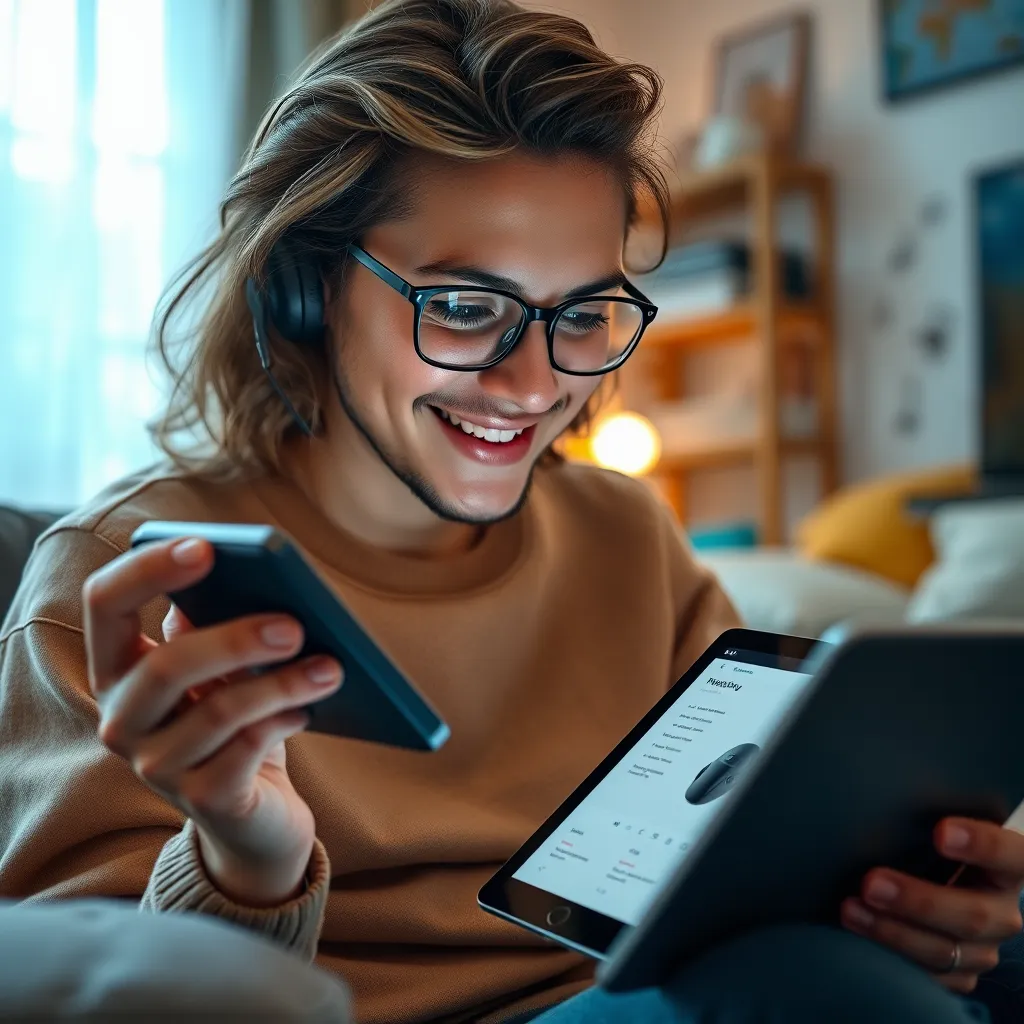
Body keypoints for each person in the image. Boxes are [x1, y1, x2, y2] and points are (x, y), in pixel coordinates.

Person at [0, 1, 1021, 1022]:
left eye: (580, 314)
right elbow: (87, 991)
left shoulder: (626, 538)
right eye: (461, 305)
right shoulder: (126, 584)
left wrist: (904, 907)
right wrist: (244, 857)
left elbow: (749, 857)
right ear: (303, 291)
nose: (532, 385)